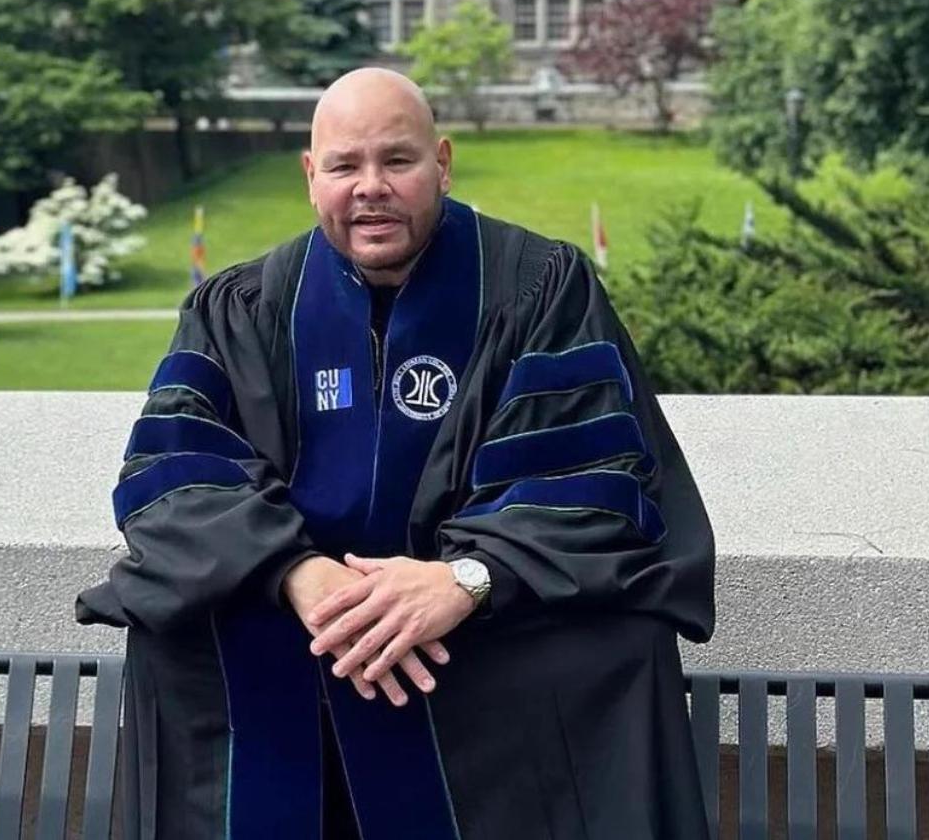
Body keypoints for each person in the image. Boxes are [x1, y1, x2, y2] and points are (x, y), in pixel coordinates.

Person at [76, 67, 715, 839]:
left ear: (441, 163)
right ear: (310, 177)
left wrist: (465, 580)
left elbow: (586, 476)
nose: (370, 187)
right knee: (178, 638)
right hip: (300, 610)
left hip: (471, 625)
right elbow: (177, 470)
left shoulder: (540, 288)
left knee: (609, 642)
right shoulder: (241, 308)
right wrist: (297, 574)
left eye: (397, 160)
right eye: (344, 165)